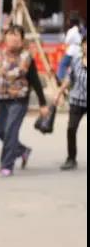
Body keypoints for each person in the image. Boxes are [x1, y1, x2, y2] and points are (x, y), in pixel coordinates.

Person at [0, 25, 49, 177]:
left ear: (22, 41)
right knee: (0, 131)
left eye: (17, 35)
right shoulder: (0, 55)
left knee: (10, 131)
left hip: (19, 100)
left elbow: (35, 81)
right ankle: (22, 151)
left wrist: (42, 104)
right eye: (10, 34)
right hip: (2, 99)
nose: (13, 38)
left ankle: (6, 165)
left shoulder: (27, 58)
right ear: (5, 37)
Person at [55, 35, 87, 171]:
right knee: (71, 128)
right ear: (83, 46)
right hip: (77, 101)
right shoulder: (76, 61)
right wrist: (59, 93)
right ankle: (71, 158)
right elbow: (69, 79)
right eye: (86, 44)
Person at [57, 13, 84, 83]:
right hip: (79, 52)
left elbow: (66, 41)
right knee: (74, 68)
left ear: (72, 22)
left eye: (69, 21)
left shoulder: (72, 30)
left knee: (63, 64)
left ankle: (60, 79)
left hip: (72, 52)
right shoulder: (80, 29)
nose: (68, 22)